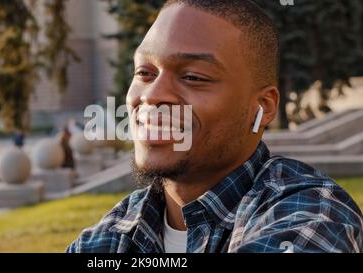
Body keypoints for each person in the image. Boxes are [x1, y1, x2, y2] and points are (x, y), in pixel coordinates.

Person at [67, 0, 362, 253]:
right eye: (145, 72)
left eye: (194, 76)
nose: (152, 96)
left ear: (263, 106)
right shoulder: (104, 240)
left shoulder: (312, 215)